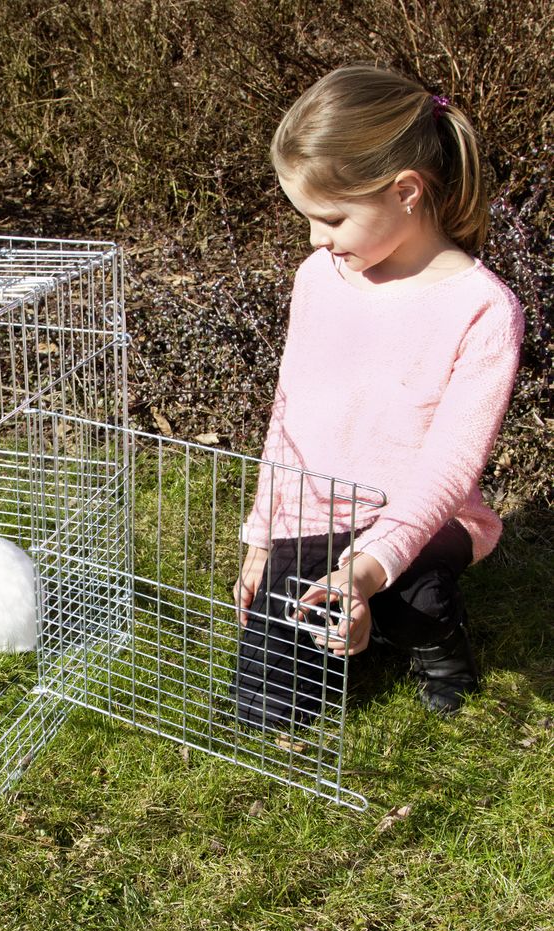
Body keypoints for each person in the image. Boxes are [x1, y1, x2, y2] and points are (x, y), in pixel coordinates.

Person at [232, 65, 524, 732]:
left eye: (330, 218)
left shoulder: (480, 308)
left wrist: (366, 571)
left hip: (419, 519)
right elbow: (290, 414)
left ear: (405, 192)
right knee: (265, 711)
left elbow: (448, 468)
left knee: (410, 591)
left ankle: (431, 641)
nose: (314, 238)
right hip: (312, 514)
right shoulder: (319, 278)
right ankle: (357, 619)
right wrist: (262, 539)